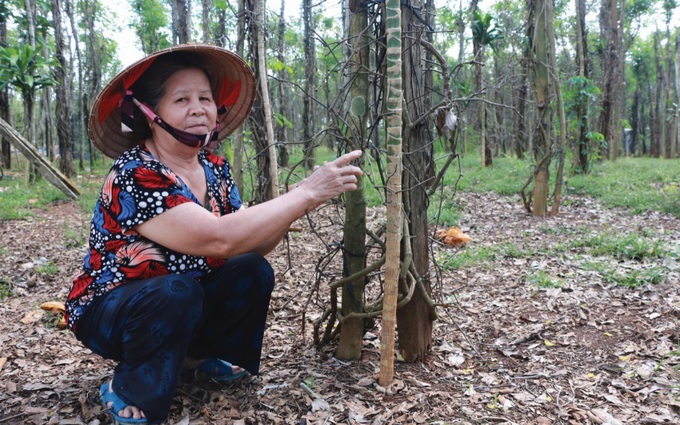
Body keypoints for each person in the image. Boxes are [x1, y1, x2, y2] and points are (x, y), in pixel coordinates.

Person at [64, 44, 362, 425]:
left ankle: (196, 358)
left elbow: (248, 245)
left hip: (182, 299)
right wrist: (303, 192)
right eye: (182, 99)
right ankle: (129, 388)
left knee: (252, 269)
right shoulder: (136, 173)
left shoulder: (215, 169)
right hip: (114, 309)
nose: (198, 109)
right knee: (176, 290)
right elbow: (218, 238)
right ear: (149, 114)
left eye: (205, 98)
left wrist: (299, 205)